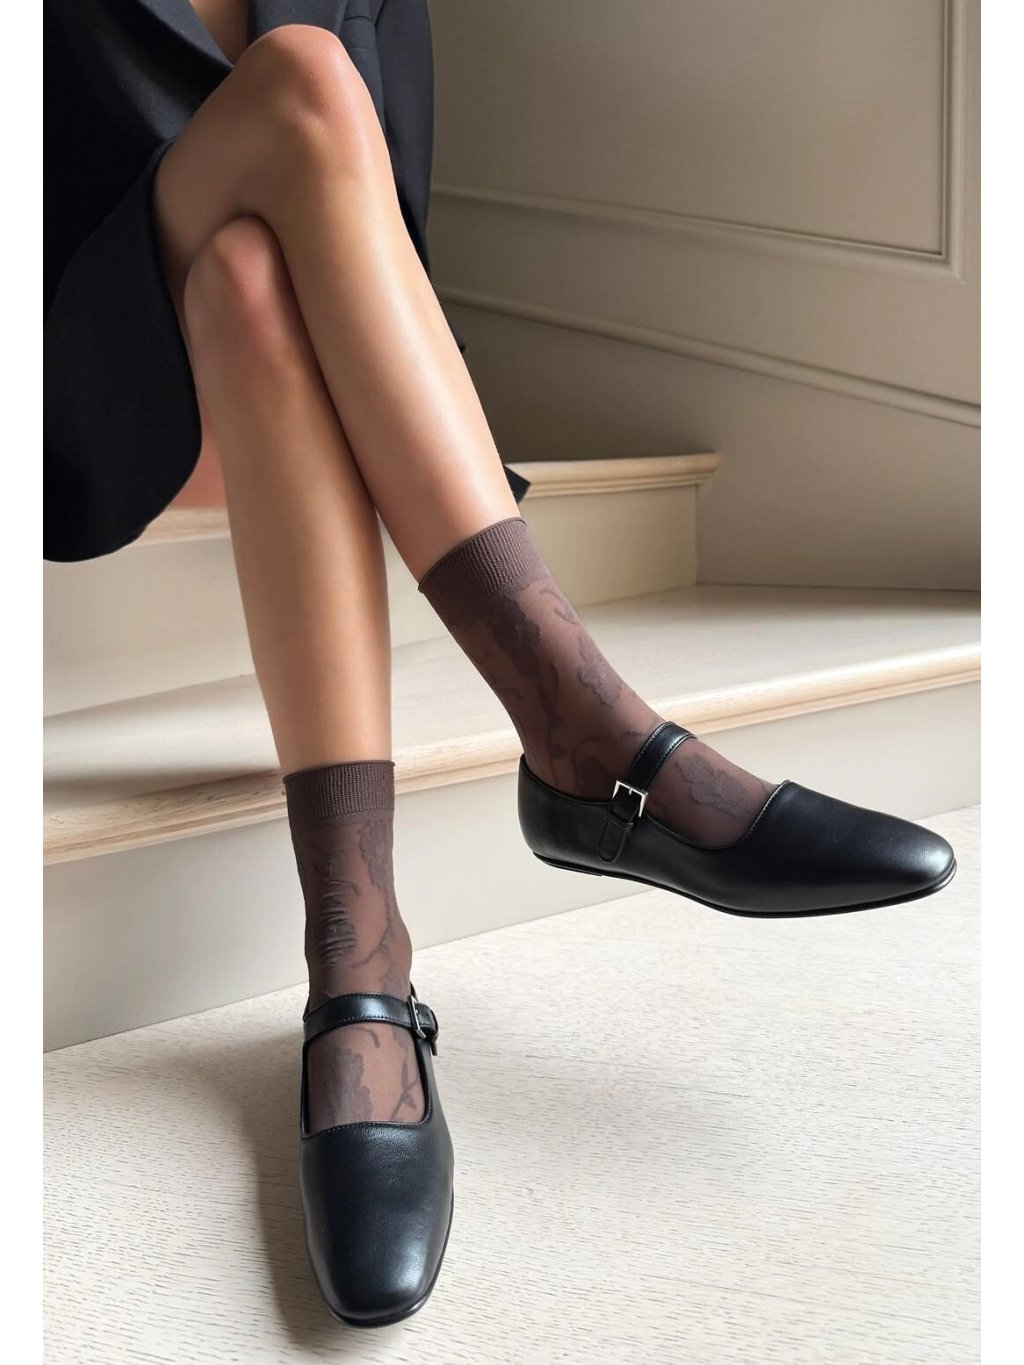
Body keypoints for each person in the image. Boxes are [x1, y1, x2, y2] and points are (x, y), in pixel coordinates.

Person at [44, 0, 957, 1328]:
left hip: (250, 340)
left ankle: (357, 956)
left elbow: (380, 234)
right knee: (301, 77)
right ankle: (581, 726)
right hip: (76, 373)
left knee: (251, 272)